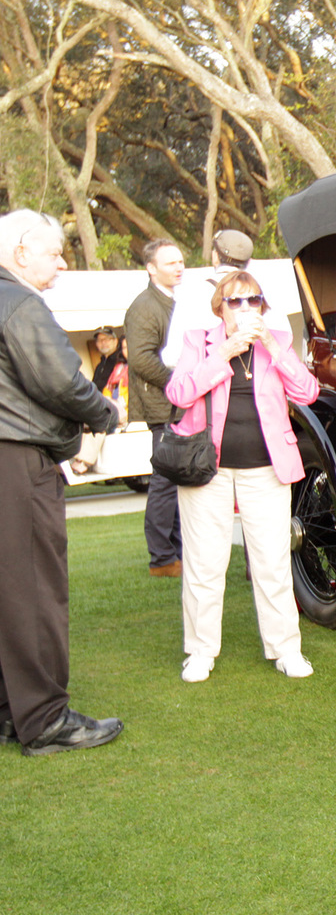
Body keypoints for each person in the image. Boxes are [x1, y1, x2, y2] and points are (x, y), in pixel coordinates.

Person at [0, 209, 125, 755]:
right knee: (33, 591)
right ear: (21, 250)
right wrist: (104, 413)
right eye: (53, 251)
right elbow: (61, 381)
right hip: (17, 463)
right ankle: (47, 721)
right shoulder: (21, 303)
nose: (61, 262)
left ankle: (15, 712)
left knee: (9, 594)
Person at [165, 270, 319, 682]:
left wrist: (270, 343)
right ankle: (200, 652)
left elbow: (308, 392)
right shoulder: (200, 342)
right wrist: (226, 353)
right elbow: (178, 393)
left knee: (272, 562)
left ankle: (286, 648)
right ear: (220, 307)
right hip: (207, 469)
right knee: (204, 563)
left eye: (253, 300)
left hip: (267, 468)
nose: (246, 307)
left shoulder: (279, 342)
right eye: (235, 301)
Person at [125, 238, 185, 577]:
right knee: (164, 481)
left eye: (180, 261)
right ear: (151, 268)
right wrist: (180, 384)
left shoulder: (174, 301)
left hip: (177, 404)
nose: (179, 267)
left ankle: (173, 553)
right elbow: (142, 360)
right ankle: (162, 559)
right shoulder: (145, 306)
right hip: (164, 406)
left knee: (177, 479)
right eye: (170, 263)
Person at [161, 228, 253, 366]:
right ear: (249, 261)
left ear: (215, 256)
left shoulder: (192, 293)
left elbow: (172, 357)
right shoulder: (265, 292)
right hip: (256, 382)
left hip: (208, 381)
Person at [89, 326, 126, 391]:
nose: (103, 343)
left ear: (116, 341)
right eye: (99, 340)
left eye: (107, 339)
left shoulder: (121, 361)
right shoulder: (100, 366)